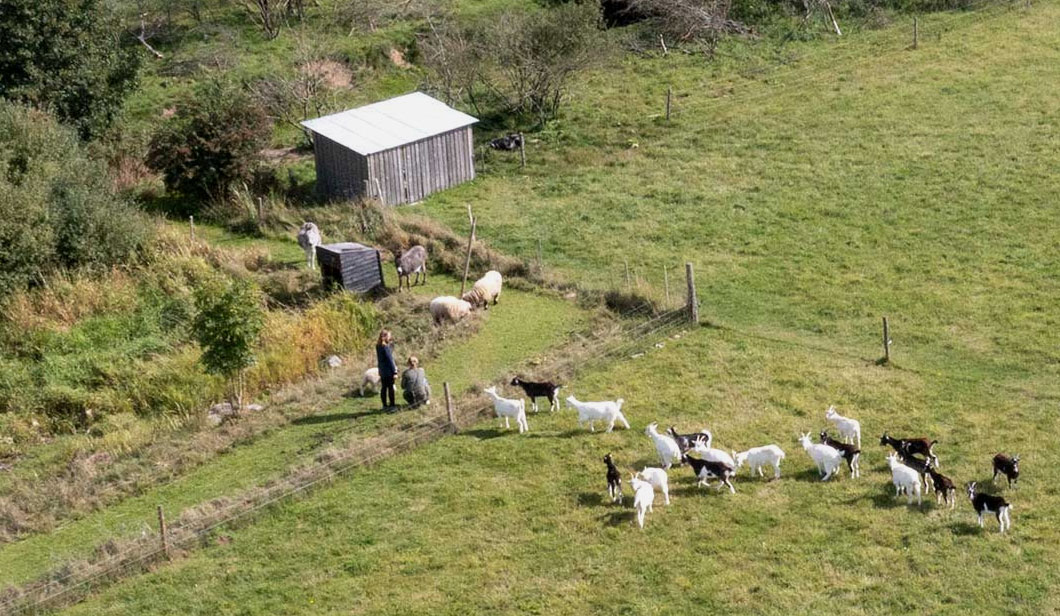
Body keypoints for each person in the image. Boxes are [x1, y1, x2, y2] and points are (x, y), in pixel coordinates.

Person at [375, 329, 397, 410]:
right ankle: (392, 405)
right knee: (390, 388)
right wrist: (394, 371)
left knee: (383, 388)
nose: (390, 337)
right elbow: (390, 359)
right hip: (388, 370)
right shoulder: (385, 347)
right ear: (384, 337)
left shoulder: (378, 346)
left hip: (382, 370)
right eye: (389, 336)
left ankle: (384, 405)